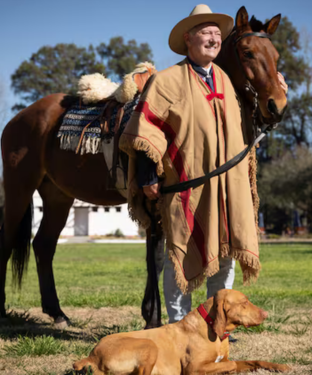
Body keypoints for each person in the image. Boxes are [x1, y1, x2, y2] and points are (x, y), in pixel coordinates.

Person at [120, 4, 288, 324]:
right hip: (187, 190)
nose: (212, 38)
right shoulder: (167, 81)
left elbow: (248, 127)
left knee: (225, 258)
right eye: (204, 33)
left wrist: (279, 90)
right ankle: (178, 326)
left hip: (228, 189)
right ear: (188, 39)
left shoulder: (228, 81)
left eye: (216, 33)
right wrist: (146, 176)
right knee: (180, 258)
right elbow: (145, 129)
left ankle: (215, 327)